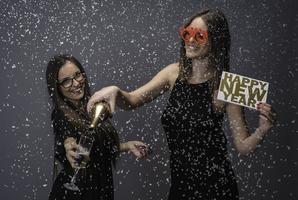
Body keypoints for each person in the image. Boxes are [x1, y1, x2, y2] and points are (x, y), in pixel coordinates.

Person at [87, 9, 277, 200]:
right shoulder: (173, 73)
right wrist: (116, 90)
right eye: (187, 33)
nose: (191, 40)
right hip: (180, 187)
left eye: (200, 36)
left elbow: (243, 146)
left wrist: (262, 129)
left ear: (216, 42)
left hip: (217, 188)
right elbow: (132, 101)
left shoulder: (229, 85)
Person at [46, 54, 148, 200]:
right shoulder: (60, 114)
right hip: (76, 193)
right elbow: (66, 138)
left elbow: (97, 149)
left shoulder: (92, 106)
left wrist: (126, 146)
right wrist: (69, 147)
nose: (75, 83)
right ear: (57, 87)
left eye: (77, 75)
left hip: (101, 188)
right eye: (66, 81)